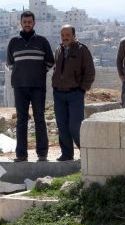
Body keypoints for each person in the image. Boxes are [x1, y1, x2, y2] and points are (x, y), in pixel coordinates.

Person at [6, 10, 54, 162]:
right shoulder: (14, 42)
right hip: (19, 86)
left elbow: (50, 61)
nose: (27, 24)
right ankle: (21, 155)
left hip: (37, 87)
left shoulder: (42, 41)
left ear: (34, 23)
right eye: (25, 21)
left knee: (39, 118)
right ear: (21, 23)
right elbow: (10, 63)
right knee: (21, 120)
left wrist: (38, 73)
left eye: (30, 22)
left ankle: (42, 154)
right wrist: (22, 73)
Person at [51, 25, 95, 162]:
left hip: (75, 93)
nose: (65, 37)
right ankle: (67, 154)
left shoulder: (82, 50)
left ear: (74, 35)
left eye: (68, 34)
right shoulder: (59, 49)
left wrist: (82, 89)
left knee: (75, 126)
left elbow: (90, 72)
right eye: (63, 34)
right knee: (62, 126)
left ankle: (86, 152)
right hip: (59, 94)